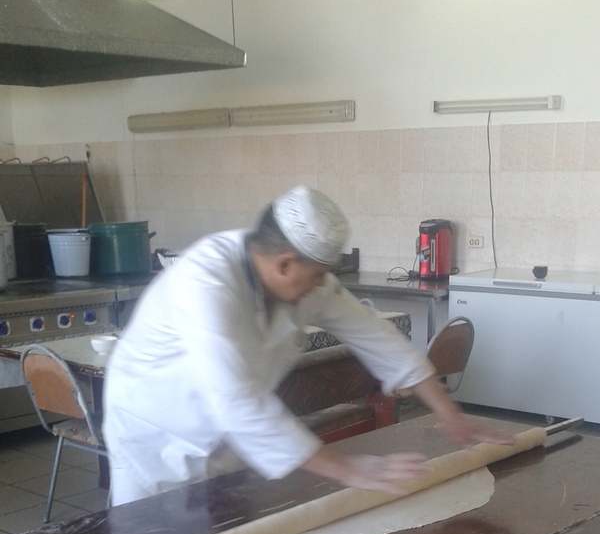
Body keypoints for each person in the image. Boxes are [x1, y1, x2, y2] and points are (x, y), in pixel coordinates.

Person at [103, 186, 509, 506]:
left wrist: (449, 413)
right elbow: (236, 400)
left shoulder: (298, 278)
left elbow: (377, 336)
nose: (321, 286)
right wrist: (347, 469)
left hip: (224, 441)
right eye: (317, 276)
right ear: (284, 263)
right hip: (155, 441)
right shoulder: (206, 283)